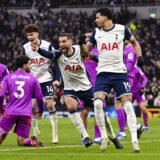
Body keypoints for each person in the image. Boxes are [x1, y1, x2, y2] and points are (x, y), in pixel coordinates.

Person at [31, 33, 123, 150]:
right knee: (70, 107)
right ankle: (85, 137)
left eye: (64, 42)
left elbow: (93, 57)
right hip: (70, 89)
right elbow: (49, 54)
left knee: (100, 113)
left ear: (70, 42)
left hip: (86, 88)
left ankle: (113, 137)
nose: (61, 44)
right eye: (59, 42)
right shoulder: (59, 54)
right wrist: (38, 49)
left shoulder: (79, 51)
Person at [80, 8, 144, 152]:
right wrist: (81, 46)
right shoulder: (97, 33)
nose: (95, 20)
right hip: (102, 73)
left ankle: (134, 141)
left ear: (106, 17)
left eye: (97, 17)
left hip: (119, 73)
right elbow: (86, 52)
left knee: (127, 105)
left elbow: (135, 43)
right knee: (97, 104)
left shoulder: (122, 30)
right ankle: (103, 138)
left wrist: (140, 57)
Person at [22, 24, 58, 143]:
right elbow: (23, 64)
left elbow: (56, 59)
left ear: (37, 34)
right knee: (32, 107)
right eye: (28, 35)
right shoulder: (25, 47)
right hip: (32, 81)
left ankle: (55, 134)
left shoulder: (47, 45)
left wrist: (57, 78)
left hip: (46, 79)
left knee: (50, 105)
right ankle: (35, 130)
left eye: (31, 34)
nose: (30, 37)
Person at [0, 55, 44, 147]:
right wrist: (41, 110)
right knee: (21, 141)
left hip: (10, 112)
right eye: (29, 64)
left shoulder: (8, 78)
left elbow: (1, 95)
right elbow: (39, 97)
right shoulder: (33, 78)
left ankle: (1, 133)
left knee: (1, 128)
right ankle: (31, 142)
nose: (31, 66)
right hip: (26, 114)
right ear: (24, 65)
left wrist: (1, 108)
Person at [116, 42, 149, 139]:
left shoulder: (136, 69)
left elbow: (145, 78)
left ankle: (144, 126)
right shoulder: (124, 50)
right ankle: (135, 126)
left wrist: (143, 87)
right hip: (130, 90)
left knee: (142, 108)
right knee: (126, 109)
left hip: (139, 91)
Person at [77, 29, 103, 145]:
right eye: (86, 37)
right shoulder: (79, 52)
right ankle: (84, 136)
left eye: (89, 37)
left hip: (97, 85)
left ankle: (98, 137)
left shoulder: (100, 51)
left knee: (98, 111)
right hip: (83, 85)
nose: (87, 39)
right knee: (84, 112)